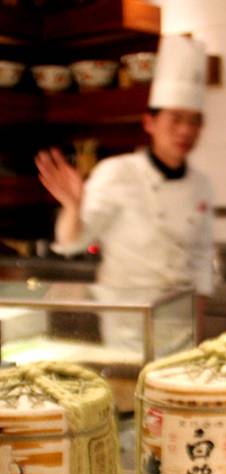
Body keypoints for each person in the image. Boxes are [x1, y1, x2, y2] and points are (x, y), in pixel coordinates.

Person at [35, 36, 214, 346]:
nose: (185, 131)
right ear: (149, 123)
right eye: (175, 119)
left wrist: (198, 334)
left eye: (194, 121)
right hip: (128, 331)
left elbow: (202, 265)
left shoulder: (201, 185)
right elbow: (72, 241)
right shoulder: (117, 173)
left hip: (182, 329)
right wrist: (73, 207)